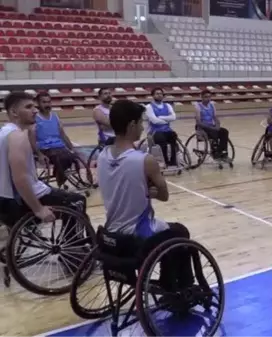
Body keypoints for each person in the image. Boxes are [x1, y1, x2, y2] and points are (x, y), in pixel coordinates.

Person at [96, 99, 193, 291]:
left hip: (111, 232)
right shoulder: (145, 160)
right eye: (141, 122)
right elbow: (164, 196)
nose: (142, 126)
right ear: (132, 125)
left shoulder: (101, 155)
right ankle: (174, 287)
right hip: (136, 234)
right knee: (180, 232)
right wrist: (153, 190)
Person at [0, 92, 87, 269]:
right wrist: (38, 209)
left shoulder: (4, 132)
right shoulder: (17, 137)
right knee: (77, 201)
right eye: (29, 107)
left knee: (58, 191)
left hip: (4, 200)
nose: (35, 110)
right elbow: (20, 178)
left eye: (34, 106)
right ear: (14, 112)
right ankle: (74, 257)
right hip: (15, 204)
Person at [29, 92, 77, 188]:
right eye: (44, 102)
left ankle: (59, 174)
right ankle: (60, 178)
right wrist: (39, 154)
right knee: (61, 157)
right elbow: (32, 139)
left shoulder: (55, 116)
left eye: (49, 102)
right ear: (38, 103)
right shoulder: (34, 118)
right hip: (45, 148)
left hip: (59, 147)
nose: (47, 104)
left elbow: (63, 135)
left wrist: (72, 148)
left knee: (72, 156)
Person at [144, 87, 179, 168]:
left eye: (161, 94)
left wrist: (160, 117)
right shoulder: (149, 107)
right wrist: (167, 119)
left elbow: (173, 117)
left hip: (167, 130)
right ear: (153, 95)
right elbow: (154, 121)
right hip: (154, 132)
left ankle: (173, 161)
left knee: (173, 136)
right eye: (157, 94)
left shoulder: (168, 105)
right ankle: (165, 161)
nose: (159, 95)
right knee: (161, 139)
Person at [194, 89, 230, 160]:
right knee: (214, 132)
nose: (208, 99)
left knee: (224, 131)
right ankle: (216, 152)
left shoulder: (212, 105)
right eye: (206, 97)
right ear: (201, 97)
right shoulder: (197, 106)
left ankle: (221, 151)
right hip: (202, 128)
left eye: (209, 97)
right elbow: (198, 122)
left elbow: (215, 117)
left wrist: (218, 125)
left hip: (211, 126)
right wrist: (212, 128)